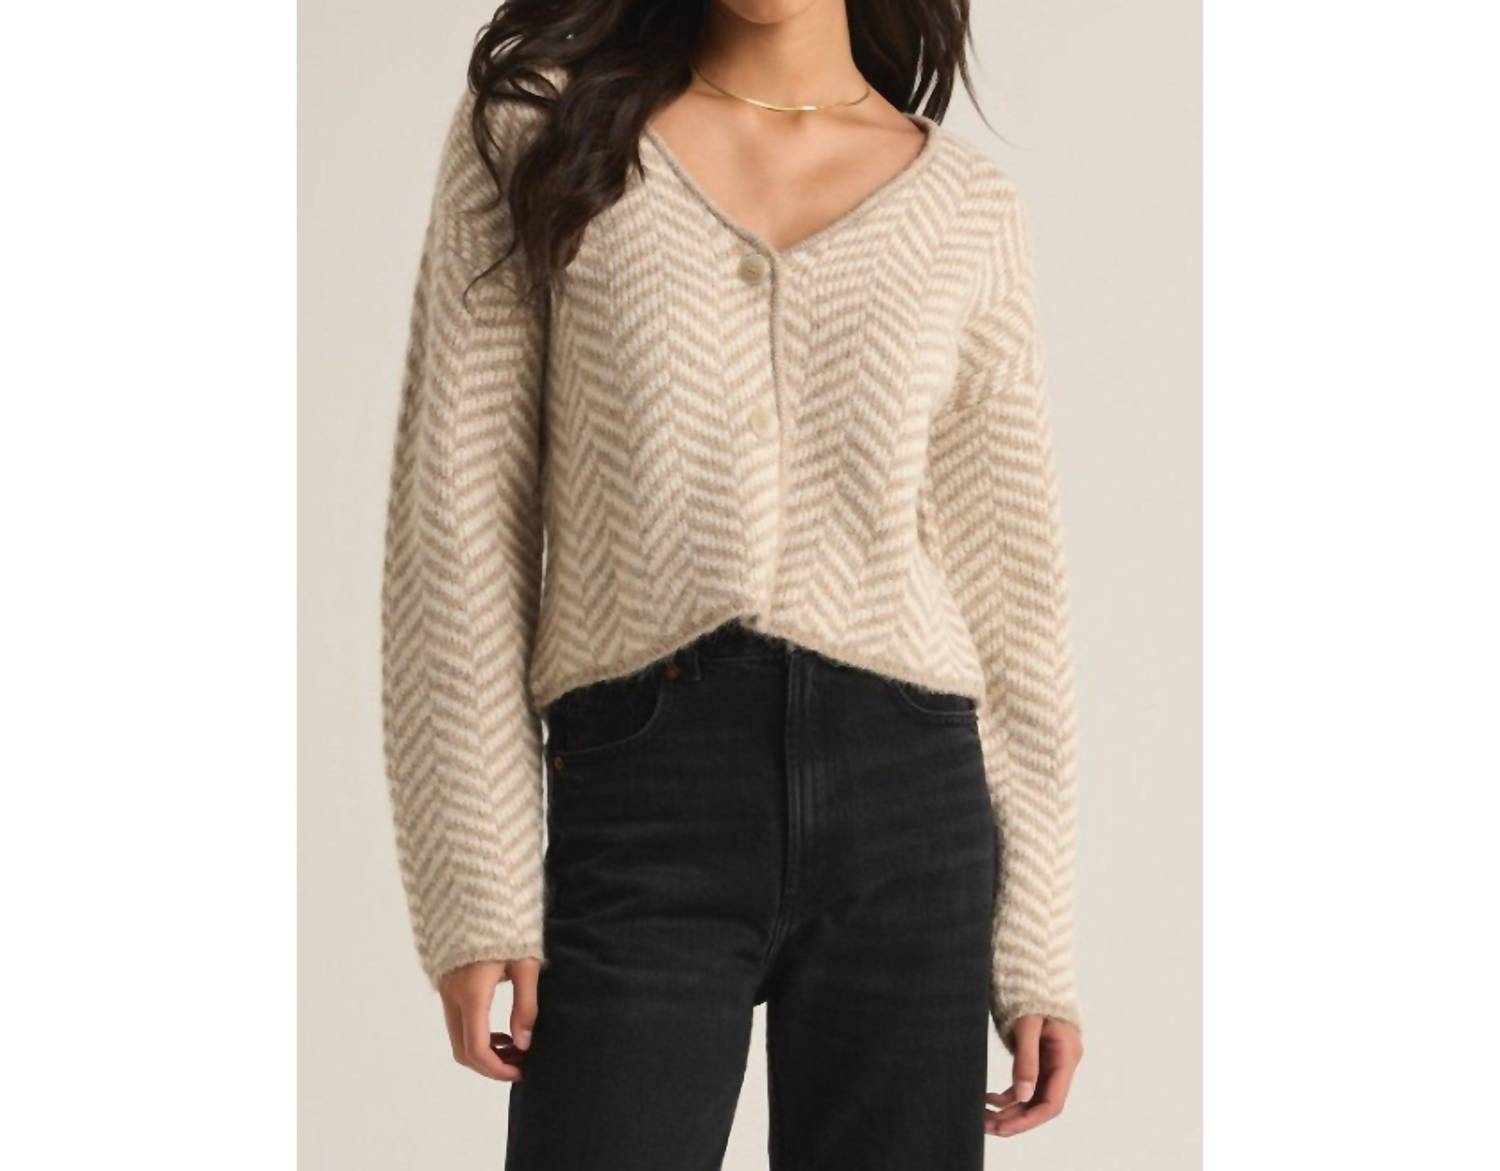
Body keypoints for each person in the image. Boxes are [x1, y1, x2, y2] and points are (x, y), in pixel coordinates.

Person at [381, 1, 1084, 1166]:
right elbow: (455, 516)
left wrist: (1038, 941)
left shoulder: (967, 206)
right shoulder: (541, 132)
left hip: (912, 807)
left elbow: (1015, 585)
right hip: (644, 793)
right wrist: (476, 882)